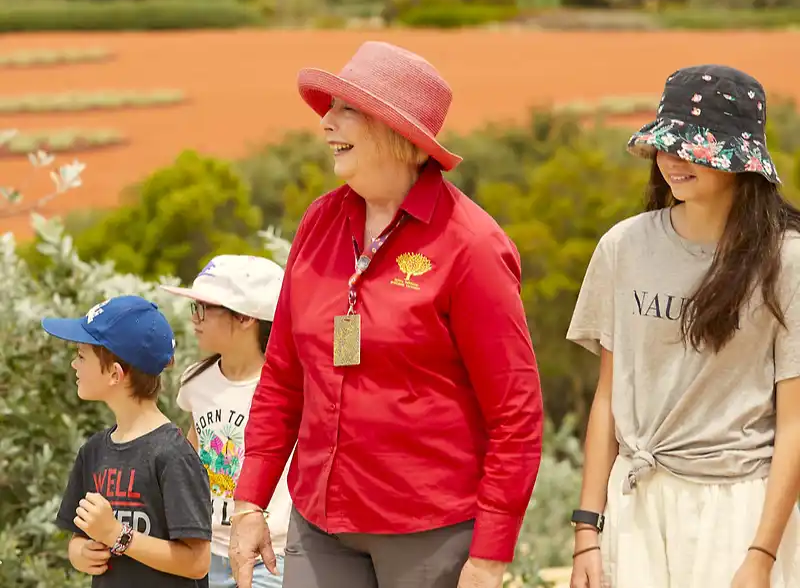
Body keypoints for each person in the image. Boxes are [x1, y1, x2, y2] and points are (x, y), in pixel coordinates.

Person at [227, 40, 544, 588]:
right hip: (318, 525)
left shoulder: (472, 247)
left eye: (347, 109)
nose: (326, 122)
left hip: (430, 534)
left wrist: (490, 555)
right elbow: (282, 375)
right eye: (331, 108)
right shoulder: (319, 222)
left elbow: (516, 414)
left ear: (402, 138)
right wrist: (250, 502)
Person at [567, 64, 800, 588]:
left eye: (694, 147)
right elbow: (609, 397)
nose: (672, 159)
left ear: (741, 160)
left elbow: (793, 425)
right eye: (666, 144)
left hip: (737, 512)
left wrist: (761, 555)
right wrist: (588, 530)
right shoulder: (623, 247)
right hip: (637, 507)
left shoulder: (788, 261)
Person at [44, 294, 213, 588]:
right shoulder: (93, 451)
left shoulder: (174, 456)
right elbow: (76, 540)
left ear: (115, 373)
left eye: (82, 355)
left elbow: (197, 562)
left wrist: (118, 535)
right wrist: (80, 554)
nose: (74, 364)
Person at [161, 254, 292, 588]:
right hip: (207, 553)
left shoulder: (287, 388)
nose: (195, 319)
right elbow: (191, 460)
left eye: (204, 308)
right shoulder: (195, 380)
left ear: (247, 317)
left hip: (272, 558)